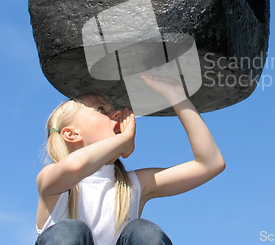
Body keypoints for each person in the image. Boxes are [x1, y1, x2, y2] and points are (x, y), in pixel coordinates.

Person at [36, 72, 225, 245]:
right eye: (101, 109)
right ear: (71, 134)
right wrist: (123, 140)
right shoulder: (51, 182)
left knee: (144, 232)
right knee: (70, 231)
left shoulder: (132, 185)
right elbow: (74, 167)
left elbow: (210, 164)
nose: (117, 113)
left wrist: (176, 95)